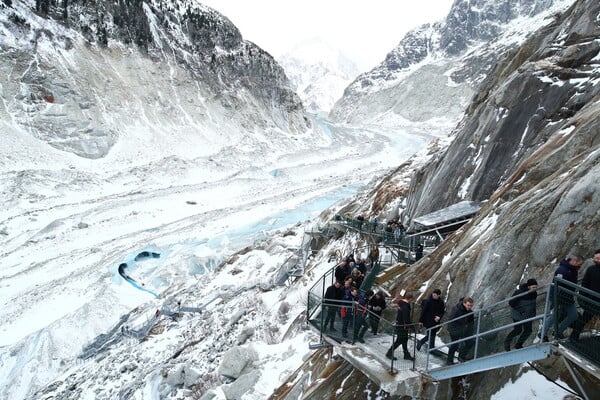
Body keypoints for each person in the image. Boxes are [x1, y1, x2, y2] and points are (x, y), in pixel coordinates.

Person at [541, 255, 584, 341]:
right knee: (555, 316)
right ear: (574, 261)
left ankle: (558, 331)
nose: (580, 266)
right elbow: (557, 284)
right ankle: (542, 333)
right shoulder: (562, 270)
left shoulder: (572, 269)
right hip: (559, 298)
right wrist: (555, 299)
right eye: (579, 263)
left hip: (567, 298)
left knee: (573, 315)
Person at [570, 250, 600, 341]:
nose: (596, 260)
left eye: (598, 258)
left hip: (594, 300)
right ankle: (573, 337)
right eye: (595, 258)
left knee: (584, 319)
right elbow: (585, 284)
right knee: (584, 319)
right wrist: (583, 299)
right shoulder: (591, 269)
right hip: (592, 301)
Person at [504, 279, 538, 351]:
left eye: (536, 287)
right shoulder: (520, 292)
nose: (535, 289)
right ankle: (507, 341)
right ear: (529, 287)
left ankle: (519, 344)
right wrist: (520, 310)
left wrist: (533, 315)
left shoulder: (534, 294)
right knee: (518, 330)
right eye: (533, 287)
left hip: (528, 315)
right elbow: (511, 302)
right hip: (518, 314)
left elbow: (533, 305)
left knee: (528, 330)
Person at [386, 293, 415, 361]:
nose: (411, 301)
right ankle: (389, 353)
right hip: (402, 326)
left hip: (400, 325)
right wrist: (412, 327)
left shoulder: (401, 304)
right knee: (399, 341)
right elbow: (406, 319)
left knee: (404, 340)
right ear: (410, 299)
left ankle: (406, 354)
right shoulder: (405, 306)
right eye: (411, 300)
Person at [446, 297, 474, 365]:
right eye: (468, 305)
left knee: (469, 342)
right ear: (464, 303)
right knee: (455, 345)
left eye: (471, 305)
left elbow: (471, 322)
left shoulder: (470, 312)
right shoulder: (457, 310)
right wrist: (452, 330)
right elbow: (451, 321)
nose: (469, 307)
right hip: (455, 330)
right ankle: (449, 360)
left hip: (464, 330)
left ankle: (461, 356)